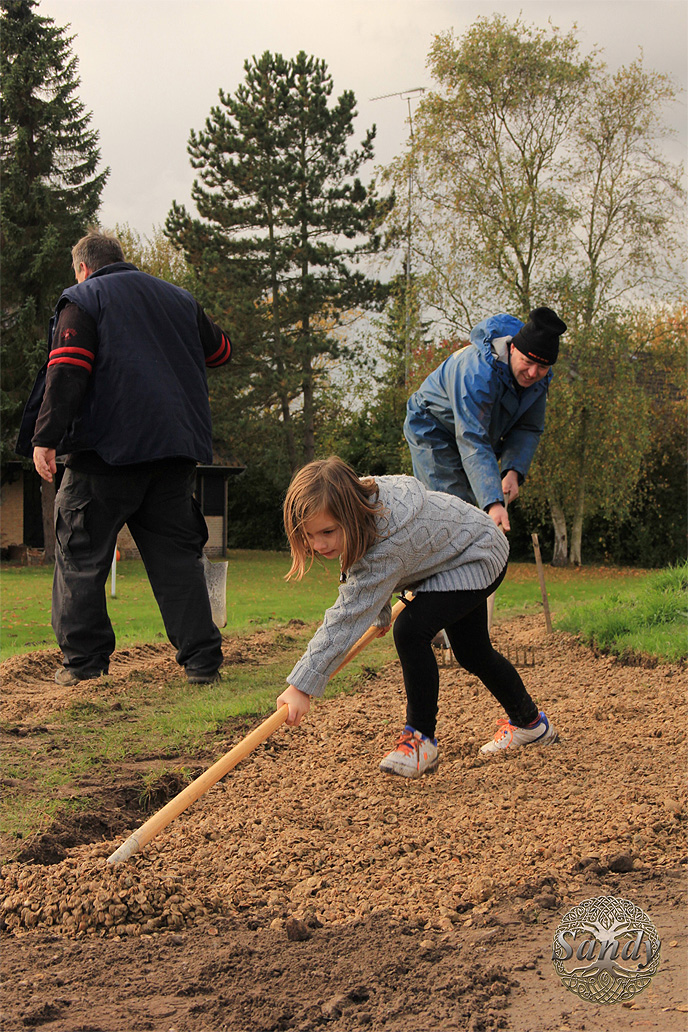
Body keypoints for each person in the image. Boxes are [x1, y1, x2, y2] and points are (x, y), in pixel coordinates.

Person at [16, 230, 233, 687]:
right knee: (178, 561)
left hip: (104, 455)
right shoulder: (180, 299)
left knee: (79, 555)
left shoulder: (82, 299)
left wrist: (45, 437)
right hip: (174, 452)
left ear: (82, 267)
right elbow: (221, 352)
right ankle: (202, 664)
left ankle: (85, 665)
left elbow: (68, 369)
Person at [276, 457, 556, 776]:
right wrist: (379, 613)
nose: (319, 544)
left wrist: (302, 686)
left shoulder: (387, 537)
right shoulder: (357, 500)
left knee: (410, 631)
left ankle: (421, 740)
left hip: (477, 556)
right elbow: (368, 573)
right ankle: (530, 723)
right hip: (464, 551)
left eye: (327, 532)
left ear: (350, 516)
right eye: (309, 535)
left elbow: (350, 608)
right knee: (473, 653)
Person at [404, 307, 567, 531]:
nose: (532, 373)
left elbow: (528, 428)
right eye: (527, 362)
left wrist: (513, 471)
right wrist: (493, 502)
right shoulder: (476, 372)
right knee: (452, 511)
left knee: (473, 515)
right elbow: (473, 438)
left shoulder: (538, 381)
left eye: (542, 367)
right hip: (432, 429)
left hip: (475, 439)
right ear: (512, 349)